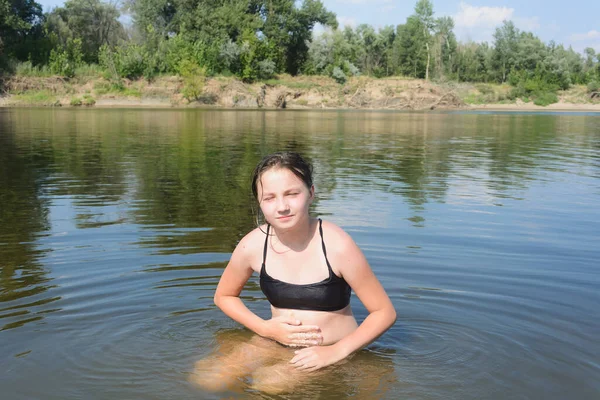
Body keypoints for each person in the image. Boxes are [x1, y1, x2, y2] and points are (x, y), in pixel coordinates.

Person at [189, 152, 396, 394]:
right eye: (270, 198)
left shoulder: (337, 244)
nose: (282, 207)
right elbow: (223, 296)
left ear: (311, 193)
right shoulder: (253, 244)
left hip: (328, 350)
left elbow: (384, 312)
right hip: (272, 339)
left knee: (269, 383)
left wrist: (335, 352)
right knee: (206, 378)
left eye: (292, 194)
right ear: (259, 202)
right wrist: (264, 328)